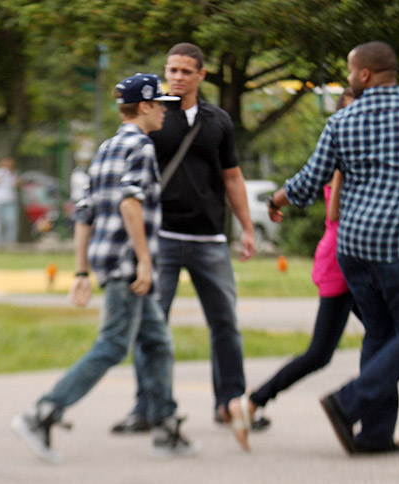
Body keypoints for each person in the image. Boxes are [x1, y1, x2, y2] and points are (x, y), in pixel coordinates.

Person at [265, 41, 399, 455]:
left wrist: (275, 201)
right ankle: (350, 402)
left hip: (353, 249)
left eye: (349, 71)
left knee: (380, 334)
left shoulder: (343, 120)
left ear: (364, 74)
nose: (349, 79)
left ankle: (374, 435)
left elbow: (310, 182)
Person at [11, 73, 198, 463]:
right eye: (160, 103)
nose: (166, 110)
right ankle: (43, 412)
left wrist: (81, 271)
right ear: (145, 107)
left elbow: (84, 214)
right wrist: (145, 261)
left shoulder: (106, 148)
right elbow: (131, 203)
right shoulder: (141, 148)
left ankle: (164, 426)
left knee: (157, 342)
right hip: (129, 266)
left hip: (108, 261)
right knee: (113, 345)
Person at [111, 42, 269, 434]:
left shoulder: (218, 121)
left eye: (185, 71)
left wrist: (247, 228)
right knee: (152, 325)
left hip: (209, 239)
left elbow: (232, 176)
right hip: (161, 236)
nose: (177, 78)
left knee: (225, 325)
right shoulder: (154, 115)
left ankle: (230, 404)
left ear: (201, 75)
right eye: (172, 70)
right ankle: (147, 408)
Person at [225, 90, 358, 451]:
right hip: (342, 258)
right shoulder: (345, 158)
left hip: (345, 255)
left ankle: (376, 425)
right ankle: (252, 402)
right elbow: (333, 214)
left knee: (382, 337)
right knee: (322, 352)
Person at [0, 156, 20, 248]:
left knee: (11, 221)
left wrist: (12, 175)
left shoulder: (14, 173)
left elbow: (17, 185)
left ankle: (10, 242)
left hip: (10, 200)